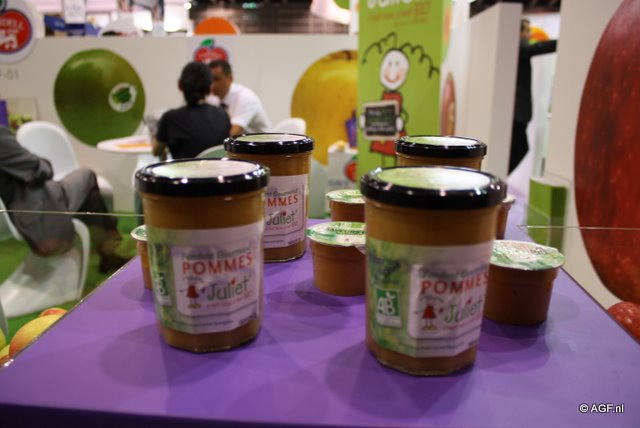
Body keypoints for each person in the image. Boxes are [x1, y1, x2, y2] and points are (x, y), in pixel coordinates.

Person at [0, 126, 127, 273]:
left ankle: (105, 249)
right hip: (39, 204)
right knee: (87, 176)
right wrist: (44, 163)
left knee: (88, 192)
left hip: (23, 206)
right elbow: (39, 169)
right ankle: (107, 246)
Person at [153, 61, 230, 159]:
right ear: (210, 87)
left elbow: (156, 151)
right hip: (217, 169)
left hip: (185, 169)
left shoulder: (170, 119)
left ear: (180, 85)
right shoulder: (223, 115)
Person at [509, 18, 557, 174]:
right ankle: (500, 176)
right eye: (526, 30)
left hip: (519, 115)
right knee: (521, 148)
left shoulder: (518, 51)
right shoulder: (518, 50)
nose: (529, 34)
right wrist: (561, 42)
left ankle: (500, 175)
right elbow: (538, 47)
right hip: (517, 115)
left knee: (517, 149)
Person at [208, 59, 272, 136]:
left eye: (216, 79)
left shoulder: (245, 97)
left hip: (262, 143)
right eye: (210, 80)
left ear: (230, 78)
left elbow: (231, 134)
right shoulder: (212, 98)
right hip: (240, 142)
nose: (212, 84)